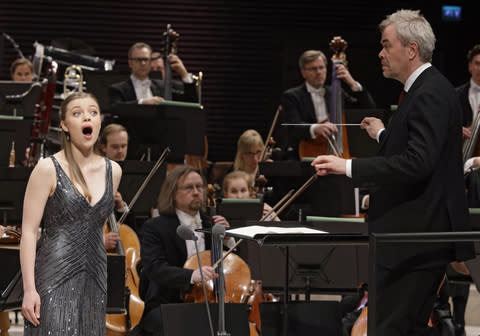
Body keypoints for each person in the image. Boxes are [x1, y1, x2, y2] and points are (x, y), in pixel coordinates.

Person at [311, 9, 475, 335]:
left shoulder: (428, 92)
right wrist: (384, 136)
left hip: (413, 241)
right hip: (410, 239)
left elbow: (418, 162)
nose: (380, 53)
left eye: (387, 45)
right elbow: (422, 153)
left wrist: (348, 166)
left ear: (411, 50)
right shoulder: (427, 89)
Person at [20, 92, 122, 335]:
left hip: (96, 276)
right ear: (65, 125)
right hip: (54, 275)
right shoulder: (47, 168)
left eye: (93, 112)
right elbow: (28, 232)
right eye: (77, 113)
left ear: (99, 122)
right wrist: (29, 289)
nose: (87, 116)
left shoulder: (113, 171)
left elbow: (97, 226)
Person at [139, 165, 234, 336]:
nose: (197, 192)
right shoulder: (155, 227)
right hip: (168, 303)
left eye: (199, 187)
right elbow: (154, 267)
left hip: (211, 301)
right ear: (173, 193)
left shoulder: (212, 225)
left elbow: (234, 268)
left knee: (237, 321)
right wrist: (190, 276)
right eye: (189, 187)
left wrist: (227, 240)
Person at [281, 49, 375, 157]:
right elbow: (292, 125)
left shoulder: (336, 93)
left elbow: (368, 109)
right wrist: (315, 128)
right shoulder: (292, 96)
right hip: (306, 152)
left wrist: (352, 83)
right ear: (303, 72)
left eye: (321, 67)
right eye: (313, 69)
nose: (318, 72)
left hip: (338, 151)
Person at [109, 42, 198, 106]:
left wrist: (184, 74)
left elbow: (191, 102)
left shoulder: (161, 86)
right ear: (130, 63)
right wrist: (142, 102)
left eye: (146, 59)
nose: (143, 63)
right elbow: (116, 108)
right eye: (139, 60)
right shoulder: (118, 89)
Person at [98, 123, 138, 250]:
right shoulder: (94, 174)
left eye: (123, 146)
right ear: (103, 147)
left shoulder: (133, 175)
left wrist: (121, 206)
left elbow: (134, 228)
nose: (120, 151)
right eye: (115, 147)